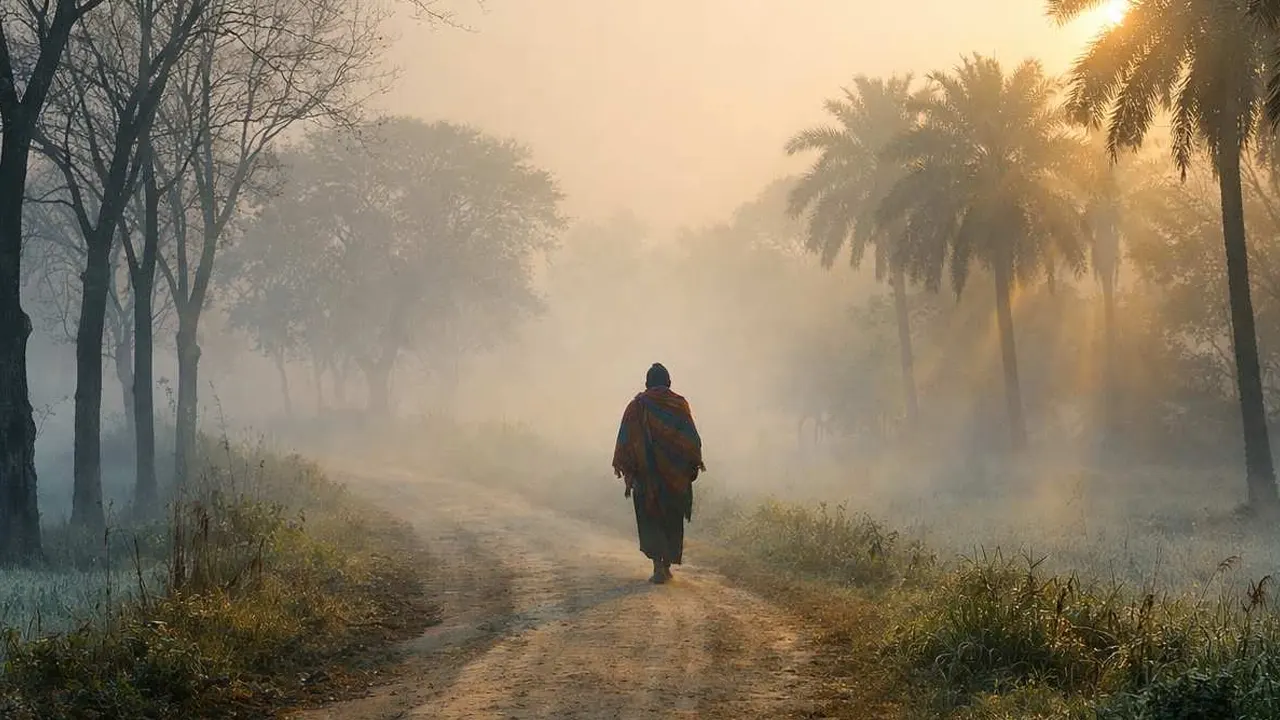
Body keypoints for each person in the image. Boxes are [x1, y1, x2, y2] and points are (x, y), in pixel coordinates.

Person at [612, 363, 705, 584]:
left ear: (646, 384)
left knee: (651, 519)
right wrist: (691, 465)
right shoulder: (679, 405)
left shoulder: (636, 406)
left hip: (647, 478)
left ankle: (658, 566)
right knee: (671, 519)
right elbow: (692, 439)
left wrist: (628, 467)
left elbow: (625, 439)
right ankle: (665, 565)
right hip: (674, 477)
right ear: (669, 383)